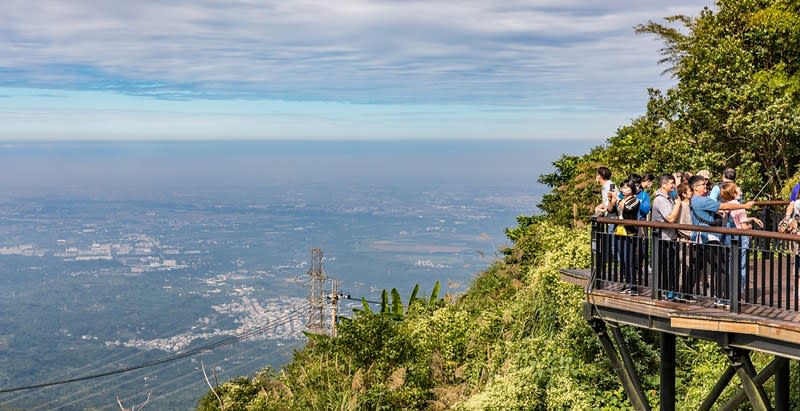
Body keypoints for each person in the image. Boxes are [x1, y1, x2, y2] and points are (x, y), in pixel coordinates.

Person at [689, 175, 755, 307]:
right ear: (696, 188)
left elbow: (716, 209)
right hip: (708, 239)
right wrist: (745, 205)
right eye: (703, 184)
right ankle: (722, 298)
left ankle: (684, 293)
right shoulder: (700, 200)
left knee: (697, 268)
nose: (705, 186)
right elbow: (723, 205)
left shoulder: (698, 200)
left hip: (701, 239)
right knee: (721, 268)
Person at [720, 183, 763, 291]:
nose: (739, 189)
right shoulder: (740, 207)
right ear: (734, 193)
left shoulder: (726, 205)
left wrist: (751, 218)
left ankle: (728, 289)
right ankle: (739, 291)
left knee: (730, 264)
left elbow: (735, 220)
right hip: (740, 238)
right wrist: (750, 227)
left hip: (728, 237)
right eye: (737, 188)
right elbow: (743, 226)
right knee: (741, 265)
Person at [651, 174, 682, 300]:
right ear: (663, 184)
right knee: (667, 266)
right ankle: (667, 291)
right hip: (664, 238)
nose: (673, 186)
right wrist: (678, 203)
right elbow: (670, 218)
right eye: (671, 183)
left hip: (669, 237)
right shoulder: (660, 199)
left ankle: (671, 290)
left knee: (672, 266)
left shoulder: (667, 197)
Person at [609, 179, 640, 295]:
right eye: (622, 187)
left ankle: (633, 286)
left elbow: (627, 209)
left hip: (629, 233)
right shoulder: (620, 200)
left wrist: (618, 199)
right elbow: (610, 210)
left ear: (632, 190)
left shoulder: (635, 200)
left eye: (627, 187)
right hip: (619, 231)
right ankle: (626, 283)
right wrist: (610, 199)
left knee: (629, 259)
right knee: (622, 259)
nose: (623, 189)